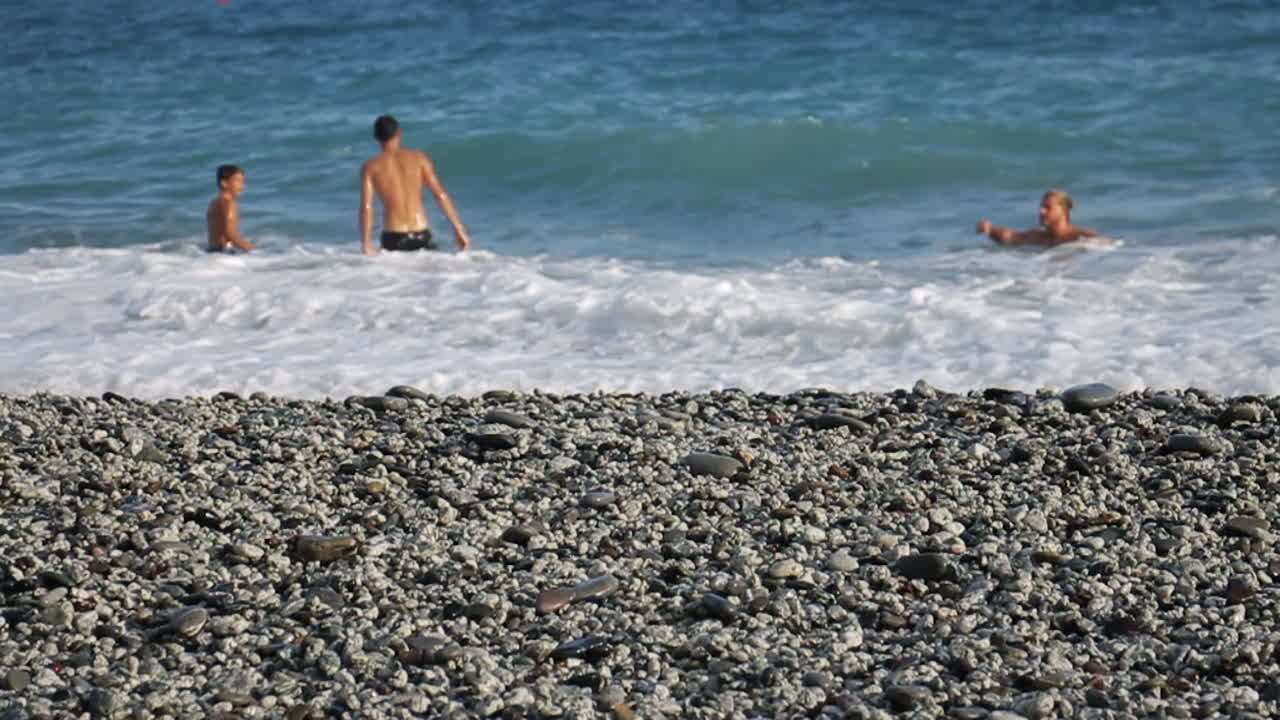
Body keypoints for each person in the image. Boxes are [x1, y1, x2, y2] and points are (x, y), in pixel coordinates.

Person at [359, 115, 471, 254]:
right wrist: (459, 229)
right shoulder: (419, 159)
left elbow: (366, 207)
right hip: (421, 234)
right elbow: (440, 195)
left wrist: (366, 243)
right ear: (399, 132)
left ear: (376, 136)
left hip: (393, 237)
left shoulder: (370, 167)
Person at [976, 189, 1098, 246]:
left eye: (1047, 207)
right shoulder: (1037, 236)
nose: (1041, 211)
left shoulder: (1081, 236)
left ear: (1064, 210)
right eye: (1041, 207)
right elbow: (1010, 236)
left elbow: (1108, 250)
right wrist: (990, 230)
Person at [206, 165, 255, 253]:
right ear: (224, 183)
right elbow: (230, 234)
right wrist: (252, 250)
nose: (242, 185)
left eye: (243, 182)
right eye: (238, 181)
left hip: (212, 252)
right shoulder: (229, 203)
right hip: (224, 252)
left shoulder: (214, 203)